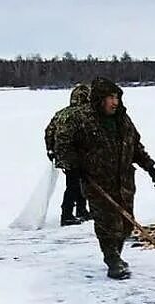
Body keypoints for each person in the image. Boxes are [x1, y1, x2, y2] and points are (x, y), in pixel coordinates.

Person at [53, 77, 155, 279]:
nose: (115, 102)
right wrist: (72, 167)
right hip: (98, 181)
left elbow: (135, 145)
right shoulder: (82, 119)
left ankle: (116, 254)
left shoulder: (122, 119)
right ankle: (112, 259)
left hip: (124, 180)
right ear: (99, 99)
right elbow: (63, 144)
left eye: (117, 97)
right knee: (107, 222)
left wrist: (149, 166)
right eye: (110, 98)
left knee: (126, 223)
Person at [44, 83, 92, 226]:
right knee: (75, 184)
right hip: (75, 155)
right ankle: (67, 215)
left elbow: (48, 132)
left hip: (62, 154)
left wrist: (51, 150)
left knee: (76, 182)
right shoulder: (84, 114)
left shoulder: (61, 113)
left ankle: (81, 210)